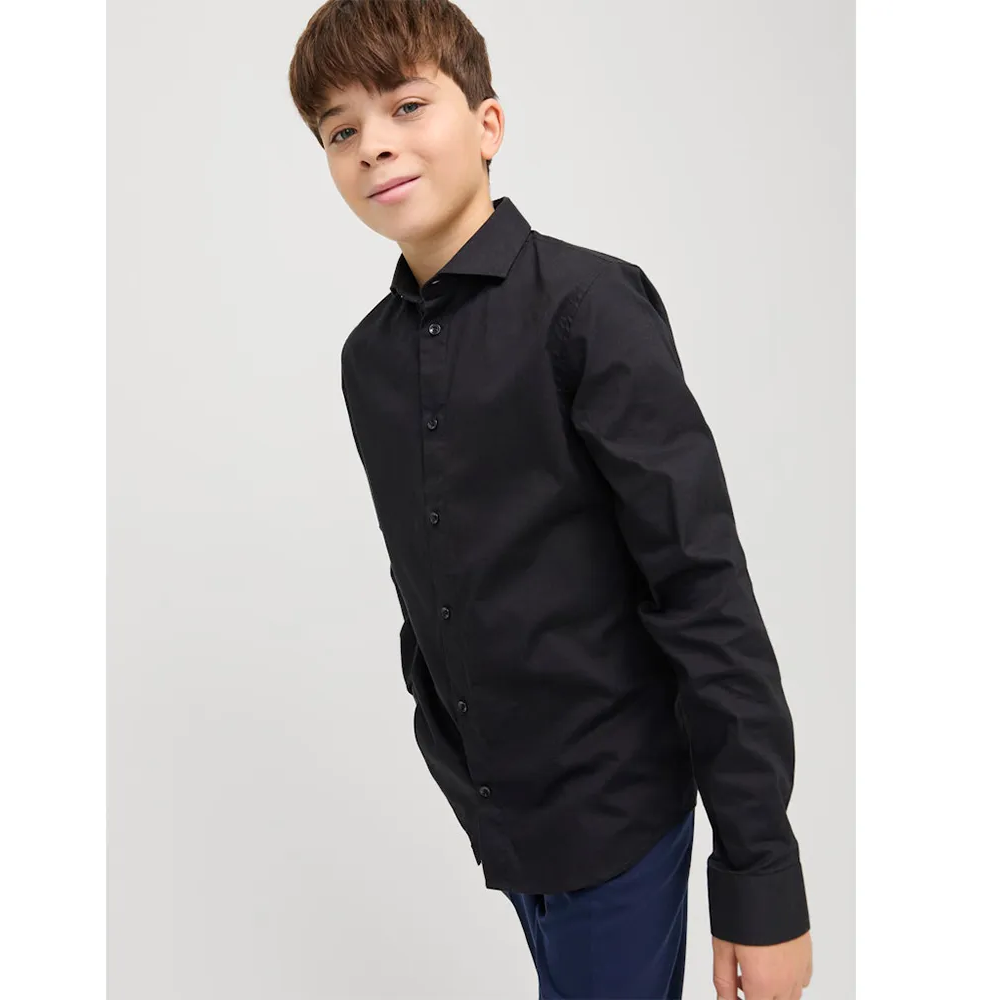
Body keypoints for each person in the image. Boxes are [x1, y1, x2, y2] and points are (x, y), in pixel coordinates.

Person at [289, 2, 814, 997]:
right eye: (340, 130)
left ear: (487, 123)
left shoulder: (589, 308)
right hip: (500, 812)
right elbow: (428, 582)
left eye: (406, 105)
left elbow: (701, 587)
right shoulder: (369, 361)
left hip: (618, 807)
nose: (374, 145)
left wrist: (760, 880)